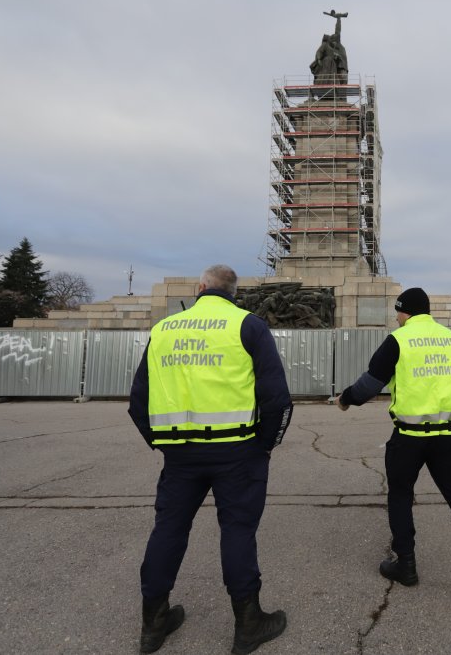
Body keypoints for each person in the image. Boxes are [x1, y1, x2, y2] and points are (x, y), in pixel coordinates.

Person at [128, 264, 293, 654]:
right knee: (237, 531)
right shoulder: (248, 326)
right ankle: (248, 624)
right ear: (233, 293)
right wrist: (266, 444)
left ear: (200, 288)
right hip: (237, 450)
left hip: (180, 454)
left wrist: (161, 440)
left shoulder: (165, 330)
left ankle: (153, 625)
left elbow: (138, 400)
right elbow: (277, 397)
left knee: (168, 529)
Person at [337, 287, 451, 601]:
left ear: (405, 312)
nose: (396, 318)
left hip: (410, 438)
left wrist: (345, 399)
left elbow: (368, 386)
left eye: (397, 312)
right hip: (448, 438)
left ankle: (407, 566)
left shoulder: (399, 340)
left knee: (400, 495)